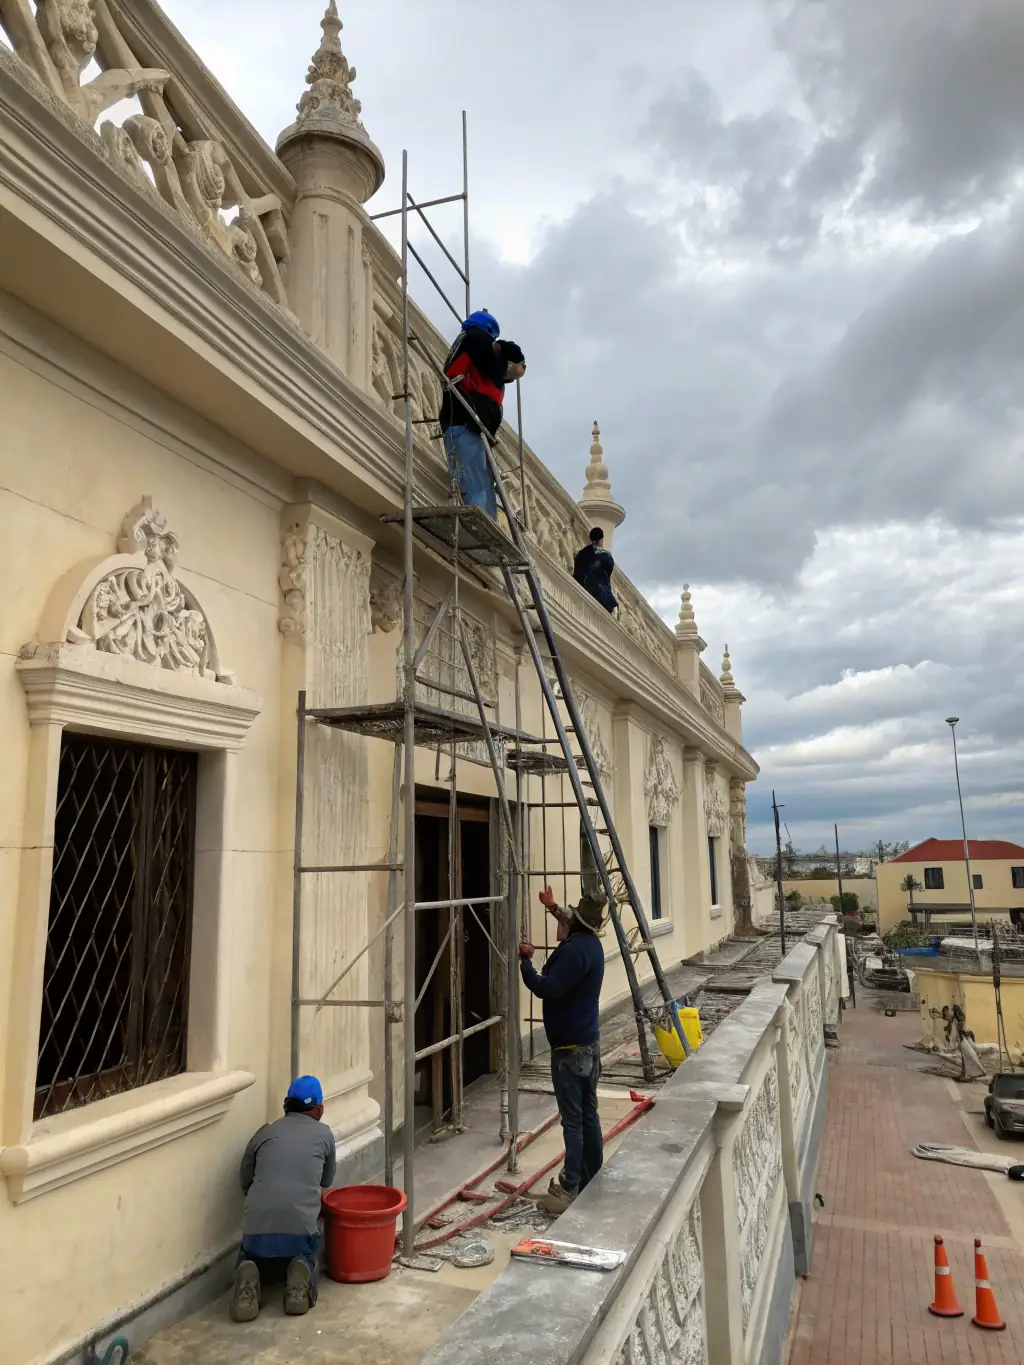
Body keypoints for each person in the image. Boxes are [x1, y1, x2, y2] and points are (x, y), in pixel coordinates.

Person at [518, 866, 607, 1217]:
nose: (562, 919)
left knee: (573, 1121)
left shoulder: (573, 953)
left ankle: (570, 1186)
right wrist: (552, 906)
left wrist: (525, 962)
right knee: (588, 1115)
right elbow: (570, 916)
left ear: (575, 927)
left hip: (570, 1053)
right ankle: (592, 1177)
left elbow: (547, 989)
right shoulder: (592, 944)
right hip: (589, 1045)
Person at [230, 1075, 336, 1322]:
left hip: (257, 1235)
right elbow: (326, 1182)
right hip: (299, 1236)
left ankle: (249, 1272)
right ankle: (301, 1272)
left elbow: (245, 1181)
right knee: (316, 1224)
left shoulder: (264, 1133)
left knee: (252, 1251)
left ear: (287, 1105)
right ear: (319, 1108)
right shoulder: (325, 1135)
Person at [438, 308, 526, 520]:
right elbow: (498, 361)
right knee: (475, 481)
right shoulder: (477, 340)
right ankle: (479, 521)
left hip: (470, 423)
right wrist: (508, 352)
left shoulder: (470, 345)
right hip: (465, 420)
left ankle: (486, 520)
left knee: (481, 480)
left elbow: (500, 372)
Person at [573, 527, 617, 614]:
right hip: (598, 591)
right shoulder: (606, 557)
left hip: (582, 583)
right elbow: (608, 572)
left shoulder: (582, 553)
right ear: (601, 540)